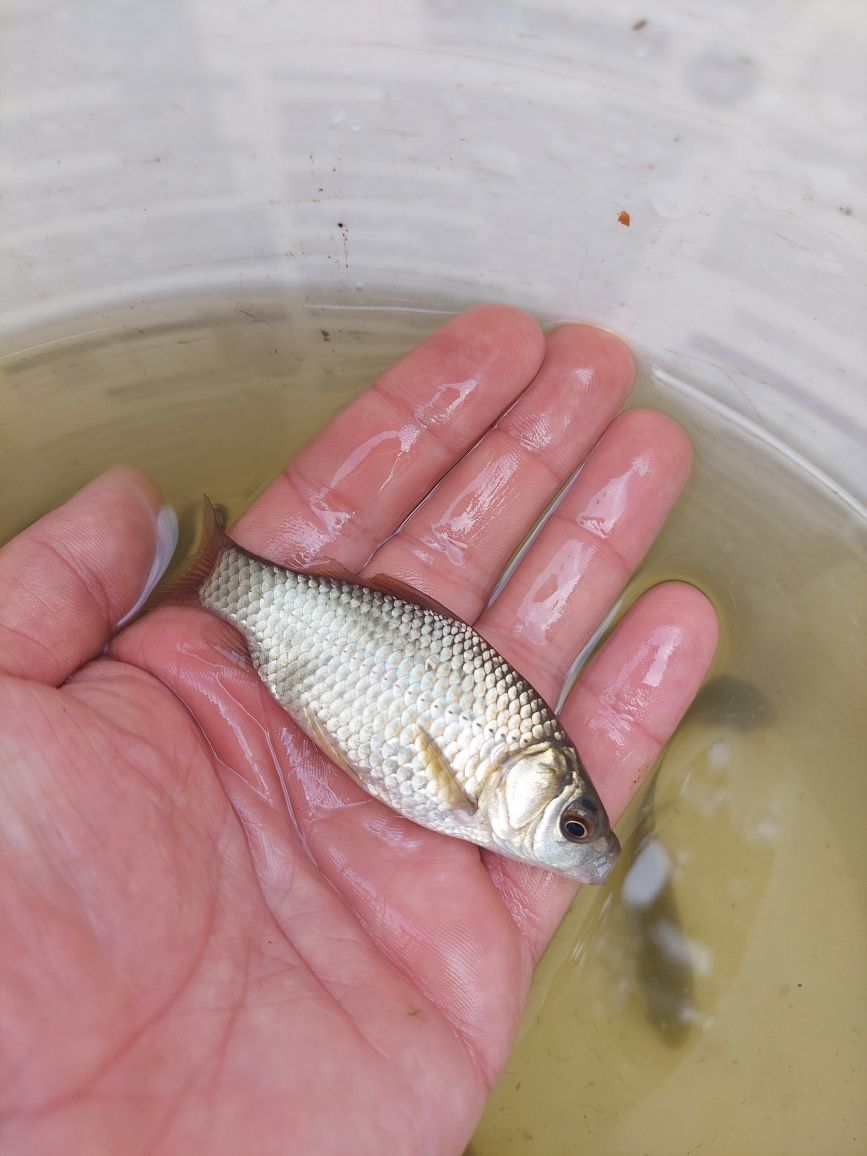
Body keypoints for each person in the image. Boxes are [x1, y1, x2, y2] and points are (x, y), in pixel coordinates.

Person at [0, 307, 717, 1155]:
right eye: (573, 825)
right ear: (535, 788)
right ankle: (223, 574)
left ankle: (220, 571)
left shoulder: (491, 786)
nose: (582, 845)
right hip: (326, 644)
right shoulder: (476, 795)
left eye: (577, 827)